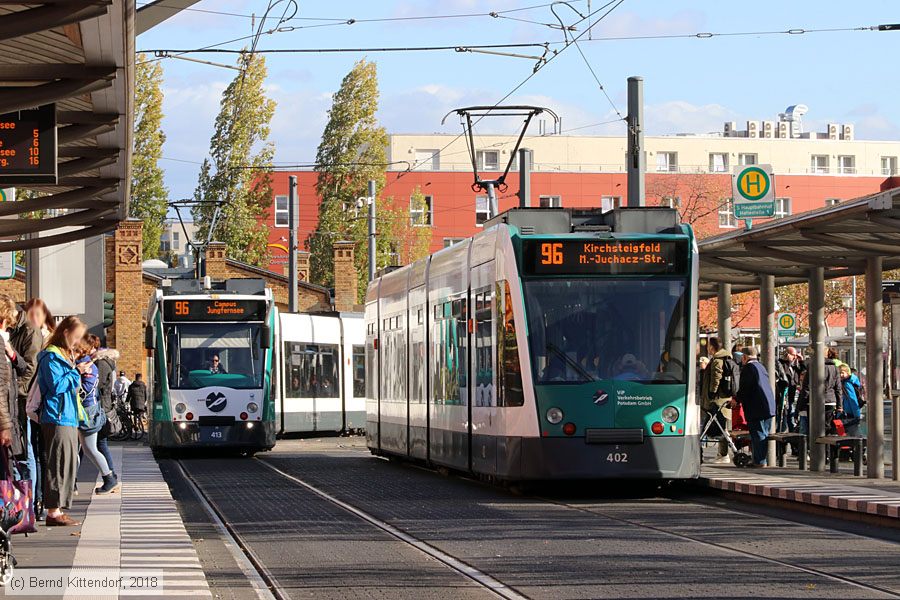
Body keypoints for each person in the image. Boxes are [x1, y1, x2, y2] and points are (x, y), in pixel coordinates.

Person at [37, 316, 90, 526]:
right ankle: (53, 511)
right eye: (76, 337)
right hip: (56, 416)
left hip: (67, 416)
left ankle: (58, 509)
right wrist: (76, 372)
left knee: (67, 464)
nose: (77, 342)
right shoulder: (50, 357)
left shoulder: (64, 356)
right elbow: (56, 386)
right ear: (65, 333)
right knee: (57, 463)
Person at [75, 340, 118, 494]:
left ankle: (109, 477)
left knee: (91, 448)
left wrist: (75, 373)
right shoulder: (93, 365)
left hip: (88, 410)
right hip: (92, 409)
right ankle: (108, 477)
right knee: (87, 448)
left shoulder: (87, 366)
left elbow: (84, 390)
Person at [734, 346, 776, 468]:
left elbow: (745, 387)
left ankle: (760, 462)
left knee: (758, 434)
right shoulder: (761, 367)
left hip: (756, 407)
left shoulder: (748, 368)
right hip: (768, 406)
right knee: (764, 433)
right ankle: (761, 460)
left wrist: (736, 399)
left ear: (745, 357)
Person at [701, 337, 736, 464]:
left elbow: (716, 377)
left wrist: (712, 392)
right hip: (723, 398)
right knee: (722, 427)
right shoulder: (725, 358)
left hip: (717, 399)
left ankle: (723, 454)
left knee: (717, 426)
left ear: (712, 347)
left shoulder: (717, 360)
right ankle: (722, 453)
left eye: (709, 346)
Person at [838, 364, 862, 436]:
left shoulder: (847, 384)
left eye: (842, 373)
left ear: (848, 373)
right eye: (839, 373)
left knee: (848, 434)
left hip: (849, 413)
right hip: (849, 413)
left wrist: (857, 415)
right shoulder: (848, 382)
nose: (840, 375)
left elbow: (852, 399)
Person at [824, 348, 843, 426]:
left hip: (814, 401)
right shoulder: (835, 368)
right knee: (828, 424)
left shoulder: (812, 366)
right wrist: (840, 406)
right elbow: (838, 388)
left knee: (814, 426)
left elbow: (806, 387)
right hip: (830, 400)